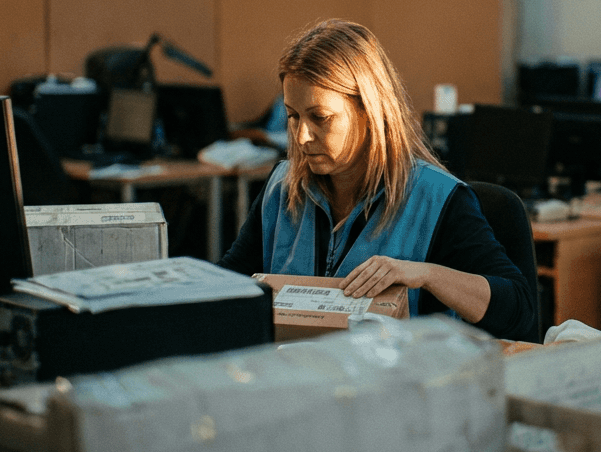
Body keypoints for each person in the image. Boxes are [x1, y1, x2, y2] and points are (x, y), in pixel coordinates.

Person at [219, 19, 538, 342]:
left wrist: (425, 274)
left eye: (320, 118)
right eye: (293, 116)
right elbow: (229, 285)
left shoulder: (437, 198)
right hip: (300, 377)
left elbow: (520, 311)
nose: (302, 136)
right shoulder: (281, 187)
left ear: (369, 111)